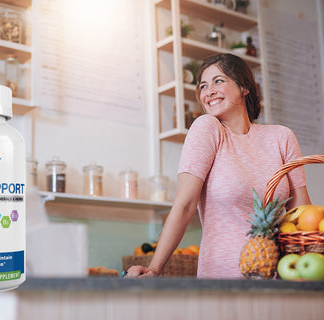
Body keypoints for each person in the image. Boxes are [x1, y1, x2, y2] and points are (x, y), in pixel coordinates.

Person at [126, 53, 311, 279]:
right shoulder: (207, 128)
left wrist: (308, 270)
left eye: (218, 81)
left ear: (244, 87)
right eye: (203, 85)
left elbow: (301, 214)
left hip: (282, 275)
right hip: (223, 279)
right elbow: (185, 204)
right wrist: (155, 268)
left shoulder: (282, 138)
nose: (209, 91)